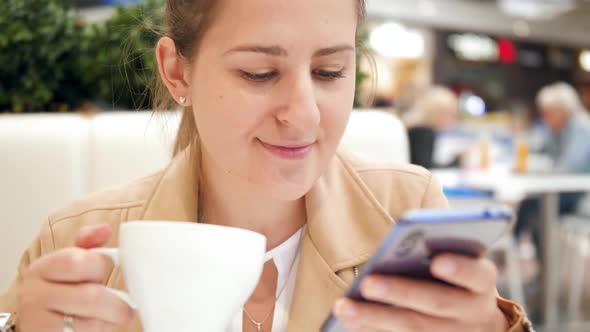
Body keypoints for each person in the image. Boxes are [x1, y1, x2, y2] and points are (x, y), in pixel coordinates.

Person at [0, 1, 529, 331]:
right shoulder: (70, 243)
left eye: (329, 71)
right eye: (258, 72)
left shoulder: (405, 212)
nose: (302, 114)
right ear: (176, 72)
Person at [515, 82, 590, 254]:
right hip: (561, 190)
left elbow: (571, 166)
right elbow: (536, 148)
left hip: (580, 195)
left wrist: (544, 169)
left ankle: (541, 269)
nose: (545, 117)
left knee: (537, 211)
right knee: (528, 204)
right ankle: (516, 252)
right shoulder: (556, 128)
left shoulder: (582, 128)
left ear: (563, 110)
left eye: (548, 112)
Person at [403, 86, 460, 169]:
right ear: (437, 112)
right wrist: (456, 162)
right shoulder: (423, 133)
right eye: (450, 114)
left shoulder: (416, 129)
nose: (453, 119)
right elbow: (426, 167)